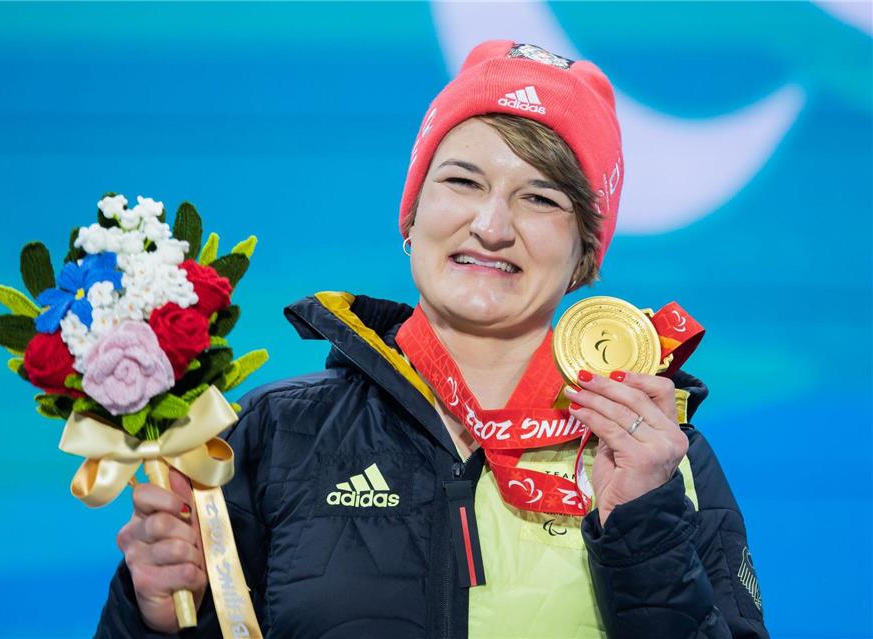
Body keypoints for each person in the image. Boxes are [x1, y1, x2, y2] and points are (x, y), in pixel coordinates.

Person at [94, 40, 768, 639]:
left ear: (584, 256)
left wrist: (644, 527)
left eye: (541, 198)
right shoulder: (274, 433)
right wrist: (154, 616)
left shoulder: (661, 459)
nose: (492, 225)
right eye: (462, 182)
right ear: (412, 215)